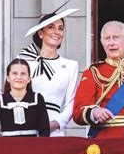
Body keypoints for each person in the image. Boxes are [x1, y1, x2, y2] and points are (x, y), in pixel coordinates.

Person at [17, 8, 79, 136]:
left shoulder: (70, 65)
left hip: (54, 129)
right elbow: (13, 94)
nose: (57, 32)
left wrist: (57, 123)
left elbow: (72, 102)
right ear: (40, 33)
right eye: (51, 27)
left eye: (61, 28)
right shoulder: (24, 61)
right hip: (24, 125)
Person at [0, 58, 50, 137]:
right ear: (8, 78)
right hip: (7, 147)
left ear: (29, 79)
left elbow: (45, 130)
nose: (19, 77)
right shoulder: (0, 100)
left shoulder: (37, 98)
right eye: (15, 73)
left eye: (23, 74)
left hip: (32, 146)